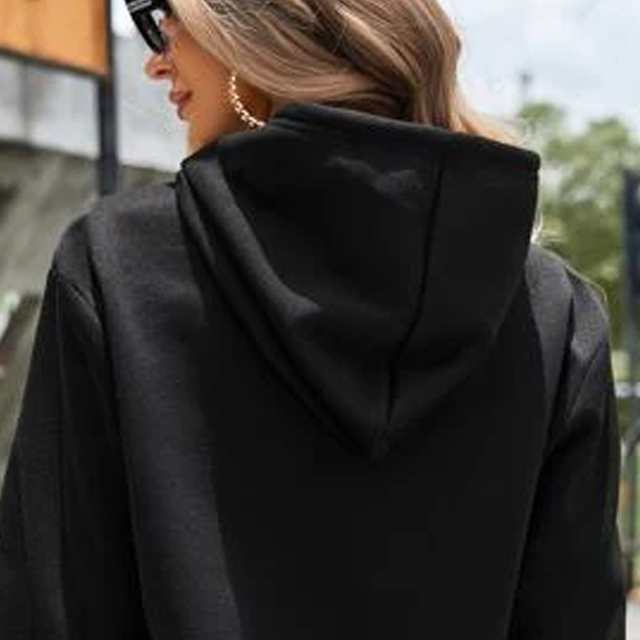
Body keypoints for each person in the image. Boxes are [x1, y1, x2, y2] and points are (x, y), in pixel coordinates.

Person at [0, 0, 626, 638]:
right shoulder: (553, 315)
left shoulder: (116, 268)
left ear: (253, 28)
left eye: (166, 19)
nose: (155, 63)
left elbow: (52, 612)